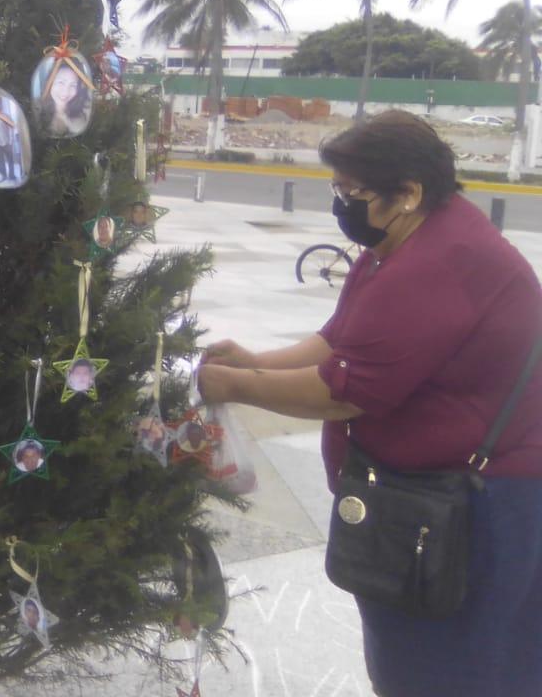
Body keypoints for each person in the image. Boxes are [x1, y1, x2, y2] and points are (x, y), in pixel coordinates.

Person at [196, 111, 542, 697]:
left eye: (352, 192)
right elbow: (339, 340)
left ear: (408, 193)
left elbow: (341, 393)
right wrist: (254, 361)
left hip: (475, 503)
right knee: (415, 650)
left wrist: (233, 386)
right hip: (427, 488)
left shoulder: (437, 264)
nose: (341, 205)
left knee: (459, 664)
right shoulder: (404, 240)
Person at [38, 63, 91, 136]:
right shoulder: (37, 107)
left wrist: (64, 117)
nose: (65, 92)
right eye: (61, 82)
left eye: (73, 85)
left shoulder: (81, 113)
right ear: (50, 82)